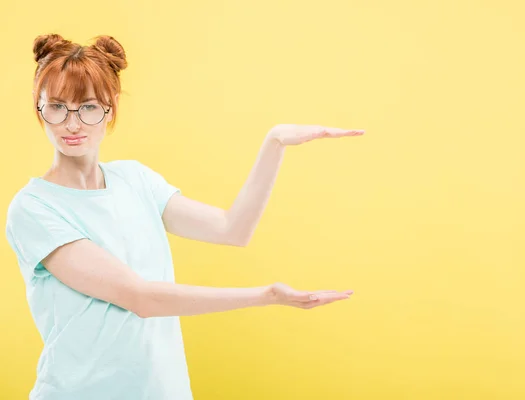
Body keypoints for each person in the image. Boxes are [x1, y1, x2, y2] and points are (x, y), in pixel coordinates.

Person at [4, 33, 365, 400]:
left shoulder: (136, 180)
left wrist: (274, 144)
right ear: (39, 108)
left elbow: (232, 229)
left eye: (89, 107)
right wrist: (267, 295)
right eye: (57, 107)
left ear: (110, 108)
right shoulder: (34, 208)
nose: (73, 123)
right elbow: (140, 298)